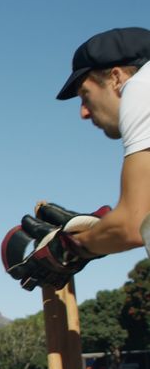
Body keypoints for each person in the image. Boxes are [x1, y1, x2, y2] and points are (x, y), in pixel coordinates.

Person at [55, 27, 150, 258]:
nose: (84, 113)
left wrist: (70, 247)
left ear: (117, 78)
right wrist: (104, 229)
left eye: (85, 95)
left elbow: (131, 226)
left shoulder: (140, 87)